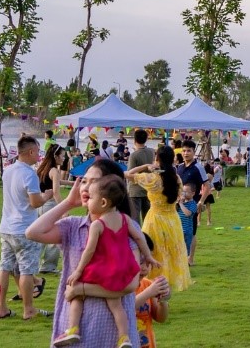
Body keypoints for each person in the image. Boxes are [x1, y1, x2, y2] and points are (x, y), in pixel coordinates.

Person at [29, 159, 162, 348]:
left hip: (112, 331)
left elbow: (130, 285)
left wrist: (80, 290)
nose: (86, 187)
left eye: (94, 181)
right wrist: (68, 203)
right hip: (73, 329)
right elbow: (33, 232)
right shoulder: (73, 226)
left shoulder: (126, 228)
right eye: (84, 181)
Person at [53, 173, 152, 348]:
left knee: (76, 297)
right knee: (117, 306)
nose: (87, 200)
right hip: (120, 269)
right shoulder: (125, 219)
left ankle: (73, 329)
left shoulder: (97, 225)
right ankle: (124, 337)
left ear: (103, 202)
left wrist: (78, 271)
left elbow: (89, 250)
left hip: (101, 270)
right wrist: (149, 256)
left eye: (91, 198)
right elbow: (139, 238)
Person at [124, 146, 191, 294]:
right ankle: (163, 290)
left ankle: (152, 290)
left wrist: (145, 166)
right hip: (173, 221)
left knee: (152, 253)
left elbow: (127, 174)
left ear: (158, 159)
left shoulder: (153, 179)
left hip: (155, 220)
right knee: (169, 254)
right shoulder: (176, 178)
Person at [0, 134, 49, 321]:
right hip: (24, 229)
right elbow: (35, 203)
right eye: (38, 151)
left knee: (4, 268)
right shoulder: (29, 174)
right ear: (31, 151)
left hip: (6, 227)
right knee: (27, 270)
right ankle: (29, 310)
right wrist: (47, 196)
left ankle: (1, 308)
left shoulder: (8, 170)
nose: (39, 155)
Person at [38, 144, 71, 276]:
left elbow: (57, 182)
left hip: (41, 204)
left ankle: (33, 262)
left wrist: (75, 183)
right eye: (62, 156)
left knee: (40, 235)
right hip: (50, 205)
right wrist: (63, 209)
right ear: (56, 156)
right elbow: (56, 192)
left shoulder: (43, 168)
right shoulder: (54, 171)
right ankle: (48, 265)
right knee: (55, 236)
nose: (64, 158)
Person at [126, 130, 153, 227]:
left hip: (135, 189)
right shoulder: (151, 152)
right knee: (147, 218)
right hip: (148, 188)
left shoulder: (134, 155)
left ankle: (137, 235)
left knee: (135, 219)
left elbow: (130, 173)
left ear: (134, 140)